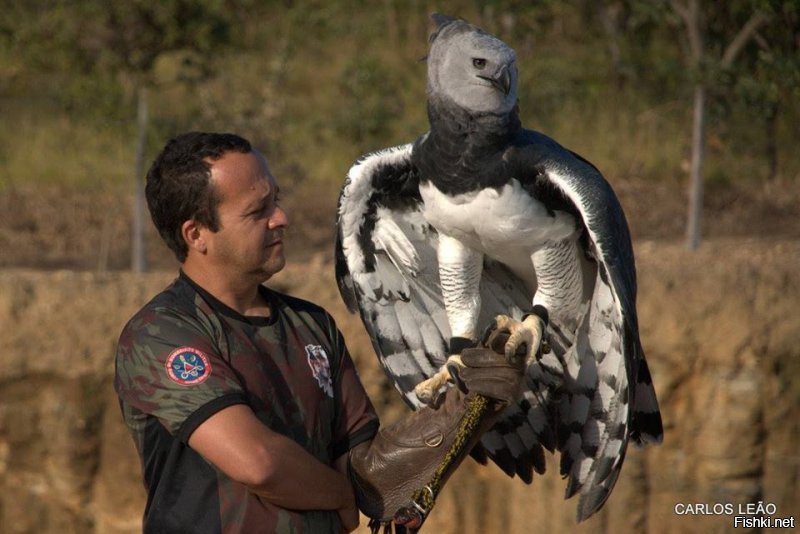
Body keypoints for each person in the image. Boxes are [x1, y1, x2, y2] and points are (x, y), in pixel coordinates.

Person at [114, 131, 526, 533]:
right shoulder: (161, 335)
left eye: (276, 200)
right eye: (258, 211)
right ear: (196, 234)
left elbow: (364, 468)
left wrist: (463, 413)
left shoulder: (312, 325)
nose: (281, 218)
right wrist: (340, 495)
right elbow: (259, 464)